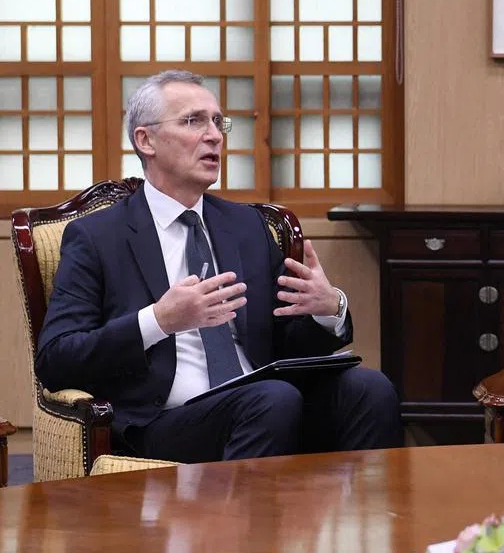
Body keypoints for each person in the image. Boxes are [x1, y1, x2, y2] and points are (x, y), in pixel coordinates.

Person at [35, 69, 403, 463]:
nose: (214, 135)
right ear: (146, 140)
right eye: (193, 121)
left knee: (370, 389)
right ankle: (240, 507)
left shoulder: (246, 226)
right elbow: (56, 359)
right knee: (271, 399)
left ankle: (366, 506)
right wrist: (158, 320)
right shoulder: (97, 237)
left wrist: (328, 310)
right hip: (165, 421)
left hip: (264, 403)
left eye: (217, 122)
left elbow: (285, 343)